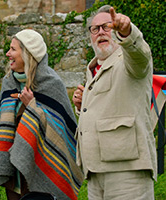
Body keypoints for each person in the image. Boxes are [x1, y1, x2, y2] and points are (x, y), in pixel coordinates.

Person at [0, 29, 83, 200]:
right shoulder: (9, 82)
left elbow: (60, 132)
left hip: (42, 165)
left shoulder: (51, 84)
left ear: (27, 54)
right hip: (13, 170)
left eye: (13, 49)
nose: (8, 54)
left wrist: (31, 106)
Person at [72, 5, 157, 200]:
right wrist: (81, 106)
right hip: (95, 172)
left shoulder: (129, 59)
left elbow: (139, 55)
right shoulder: (94, 67)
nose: (100, 32)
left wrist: (128, 33)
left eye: (106, 26)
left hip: (128, 173)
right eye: (95, 29)